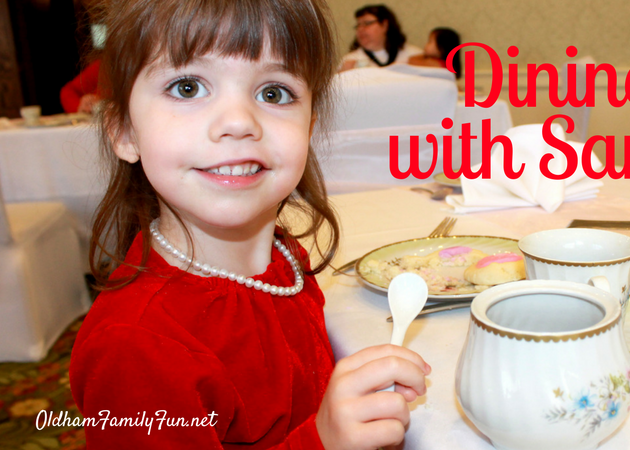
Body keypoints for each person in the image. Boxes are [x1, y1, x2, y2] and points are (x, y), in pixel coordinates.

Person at [68, 0, 430, 448]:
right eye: (187, 87)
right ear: (124, 131)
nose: (239, 122)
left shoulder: (284, 257)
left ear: (309, 128)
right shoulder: (134, 347)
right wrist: (323, 441)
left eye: (273, 93)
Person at [339, 4, 420, 71]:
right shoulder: (348, 61)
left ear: (384, 25)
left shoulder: (413, 55)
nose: (360, 29)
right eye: (358, 25)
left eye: (367, 23)